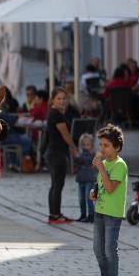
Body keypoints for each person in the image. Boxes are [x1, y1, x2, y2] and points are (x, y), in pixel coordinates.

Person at [88, 124, 127, 276]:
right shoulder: (104, 163)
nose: (102, 148)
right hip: (100, 210)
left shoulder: (119, 165)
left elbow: (111, 188)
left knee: (110, 249)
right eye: (101, 145)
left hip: (112, 213)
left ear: (117, 147)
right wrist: (93, 193)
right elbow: (102, 186)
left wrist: (101, 169)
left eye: (106, 145)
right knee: (98, 248)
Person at [46, 88, 79, 224]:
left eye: (64, 98)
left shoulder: (54, 113)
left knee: (55, 184)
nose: (62, 101)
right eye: (58, 98)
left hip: (53, 152)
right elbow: (65, 134)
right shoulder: (57, 115)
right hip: (57, 153)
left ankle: (55, 213)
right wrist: (73, 147)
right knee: (57, 185)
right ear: (53, 99)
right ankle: (55, 215)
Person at [74, 133, 97, 223]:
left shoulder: (92, 154)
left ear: (91, 145)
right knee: (81, 199)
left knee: (89, 198)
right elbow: (78, 163)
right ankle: (83, 214)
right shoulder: (80, 154)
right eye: (83, 144)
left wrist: (77, 157)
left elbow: (86, 161)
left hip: (90, 179)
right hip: (81, 179)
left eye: (87, 145)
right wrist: (75, 157)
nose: (85, 147)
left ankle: (91, 215)